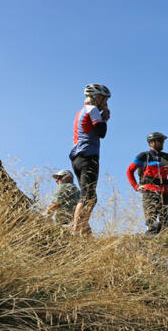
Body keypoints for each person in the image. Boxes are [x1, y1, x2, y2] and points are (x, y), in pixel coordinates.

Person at [69, 83, 111, 235]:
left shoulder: (81, 111)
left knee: (90, 197)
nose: (106, 103)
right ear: (97, 97)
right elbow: (101, 132)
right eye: (105, 100)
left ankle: (84, 230)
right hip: (88, 156)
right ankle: (76, 231)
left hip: (77, 157)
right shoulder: (93, 110)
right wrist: (104, 118)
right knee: (87, 196)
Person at [127, 132, 168, 235]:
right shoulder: (144, 156)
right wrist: (135, 186)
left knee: (167, 221)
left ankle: (165, 246)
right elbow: (129, 171)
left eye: (162, 141)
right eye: (159, 140)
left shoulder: (166, 157)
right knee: (152, 222)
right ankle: (150, 243)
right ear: (151, 143)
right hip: (149, 191)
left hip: (164, 192)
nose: (162, 143)